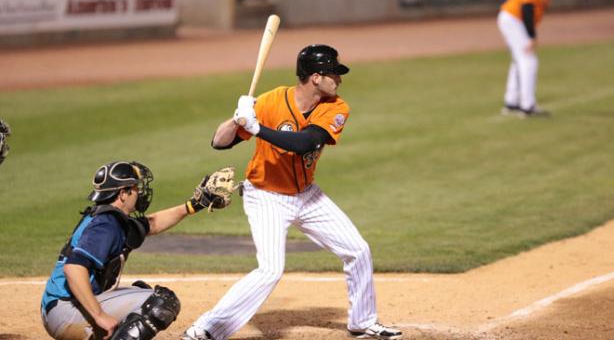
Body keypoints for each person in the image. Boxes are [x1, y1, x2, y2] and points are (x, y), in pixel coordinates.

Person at [183, 44, 402, 340]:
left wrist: (257, 128)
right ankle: (207, 328)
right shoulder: (271, 101)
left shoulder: (336, 107)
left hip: (307, 195)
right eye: (333, 74)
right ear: (315, 77)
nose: (339, 79)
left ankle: (363, 321)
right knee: (271, 270)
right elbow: (219, 143)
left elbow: (305, 143)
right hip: (266, 196)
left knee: (358, 250)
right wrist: (237, 119)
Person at [41, 161, 236, 340]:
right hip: (65, 311)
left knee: (141, 291)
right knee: (160, 303)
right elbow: (73, 268)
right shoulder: (105, 225)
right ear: (122, 193)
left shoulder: (111, 218)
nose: (139, 193)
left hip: (61, 308)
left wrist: (194, 205)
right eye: (134, 188)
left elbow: (152, 224)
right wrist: (100, 316)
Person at [498, 0, 550, 117]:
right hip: (514, 19)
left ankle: (511, 102)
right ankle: (527, 106)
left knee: (518, 60)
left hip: (511, 18)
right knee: (529, 60)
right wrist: (531, 36)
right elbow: (527, 8)